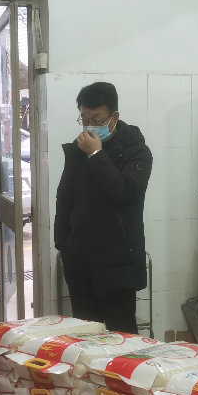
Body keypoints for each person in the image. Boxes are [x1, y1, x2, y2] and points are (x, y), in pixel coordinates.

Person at [55, 82, 152, 334]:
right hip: (80, 260)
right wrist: (63, 244)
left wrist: (97, 155)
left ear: (114, 116)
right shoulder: (78, 149)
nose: (89, 126)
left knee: (122, 335)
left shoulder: (137, 152)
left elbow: (123, 192)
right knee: (86, 334)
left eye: (96, 119)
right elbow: (65, 198)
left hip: (117, 262)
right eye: (84, 119)